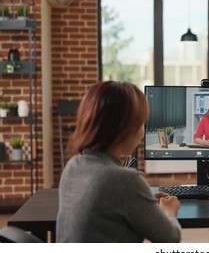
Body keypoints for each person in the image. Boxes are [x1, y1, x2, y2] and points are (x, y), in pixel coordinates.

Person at [56, 81, 181, 243]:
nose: (142, 132)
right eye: (142, 123)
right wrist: (169, 212)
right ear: (127, 127)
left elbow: (103, 206)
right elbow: (171, 238)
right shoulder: (125, 180)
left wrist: (139, 198)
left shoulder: (73, 166)